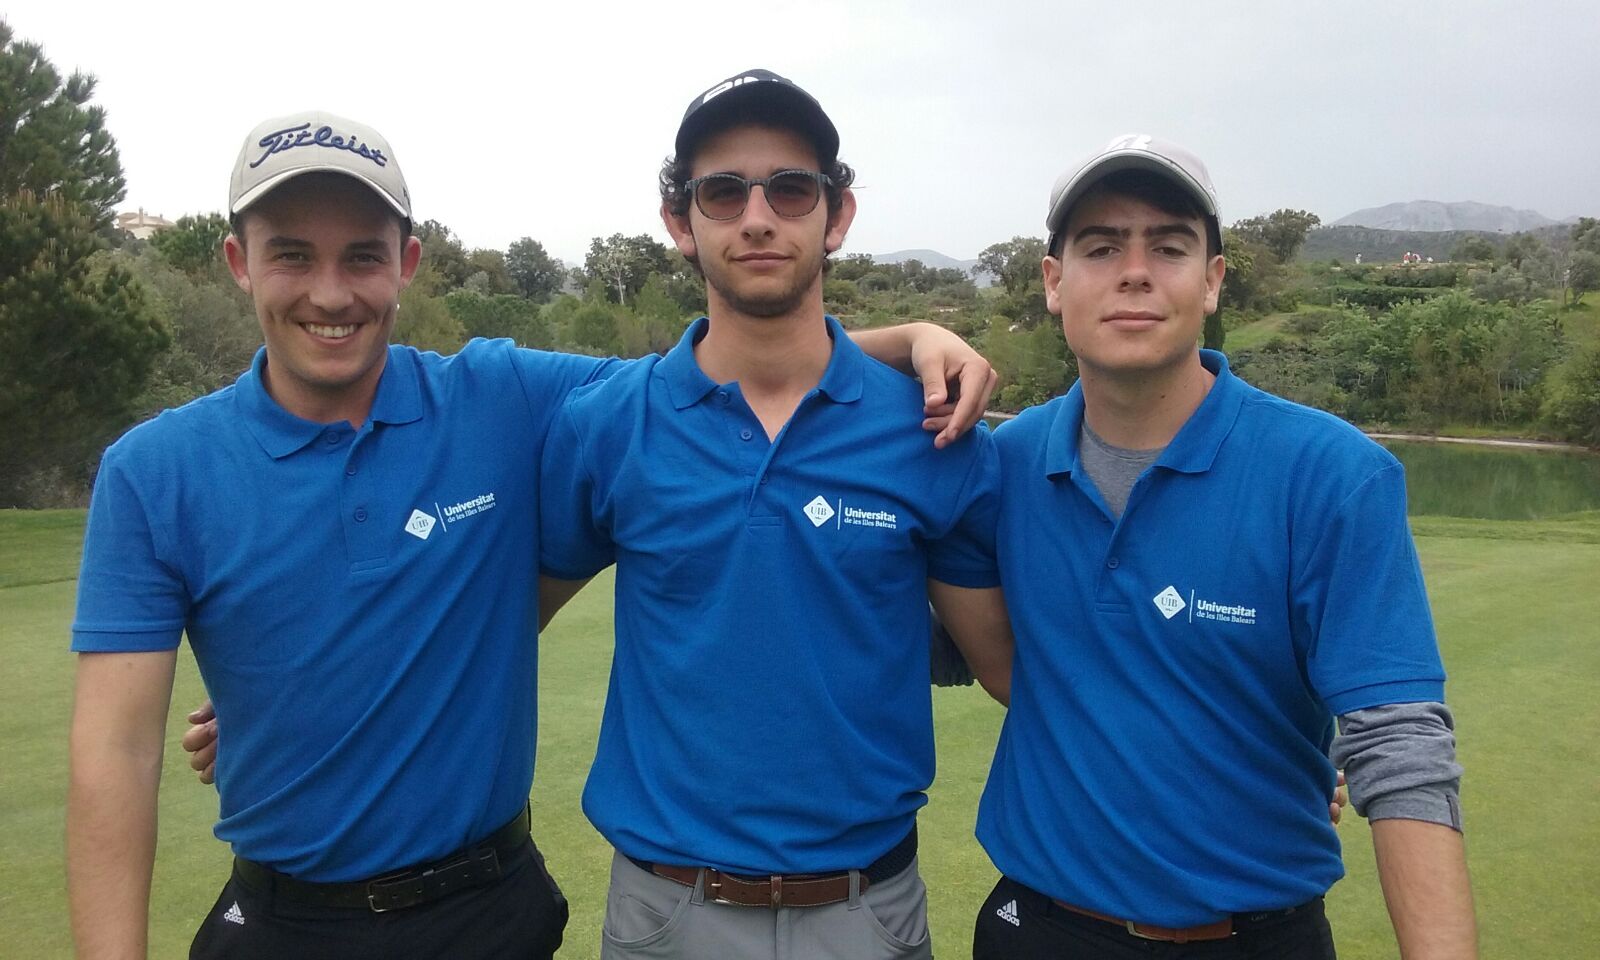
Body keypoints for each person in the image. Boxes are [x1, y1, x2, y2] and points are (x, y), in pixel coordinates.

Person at [66, 109, 996, 960]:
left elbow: (725, 365)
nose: (330, 292)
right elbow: (115, 754)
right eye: (291, 255)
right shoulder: (155, 472)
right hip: (282, 922)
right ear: (237, 261)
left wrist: (906, 336)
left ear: (409, 262)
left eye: (361, 255)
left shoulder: (501, 394)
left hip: (488, 912)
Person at [960, 135, 1477, 958]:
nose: (1135, 271)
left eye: (1169, 247)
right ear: (1054, 282)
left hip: (1255, 938)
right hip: (1038, 929)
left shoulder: (1333, 475)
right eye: (1100, 247)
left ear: (1212, 280)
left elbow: (1400, 744)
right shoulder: (1006, 464)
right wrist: (907, 335)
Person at [536, 69, 1007, 960]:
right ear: (682, 220)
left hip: (869, 910)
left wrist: (1260, 749)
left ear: (837, 215)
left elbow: (1013, 669)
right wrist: (292, 704)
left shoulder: (931, 429)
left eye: (791, 189)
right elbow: (493, 625)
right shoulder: (607, 425)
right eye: (723, 191)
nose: (758, 217)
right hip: (665, 911)